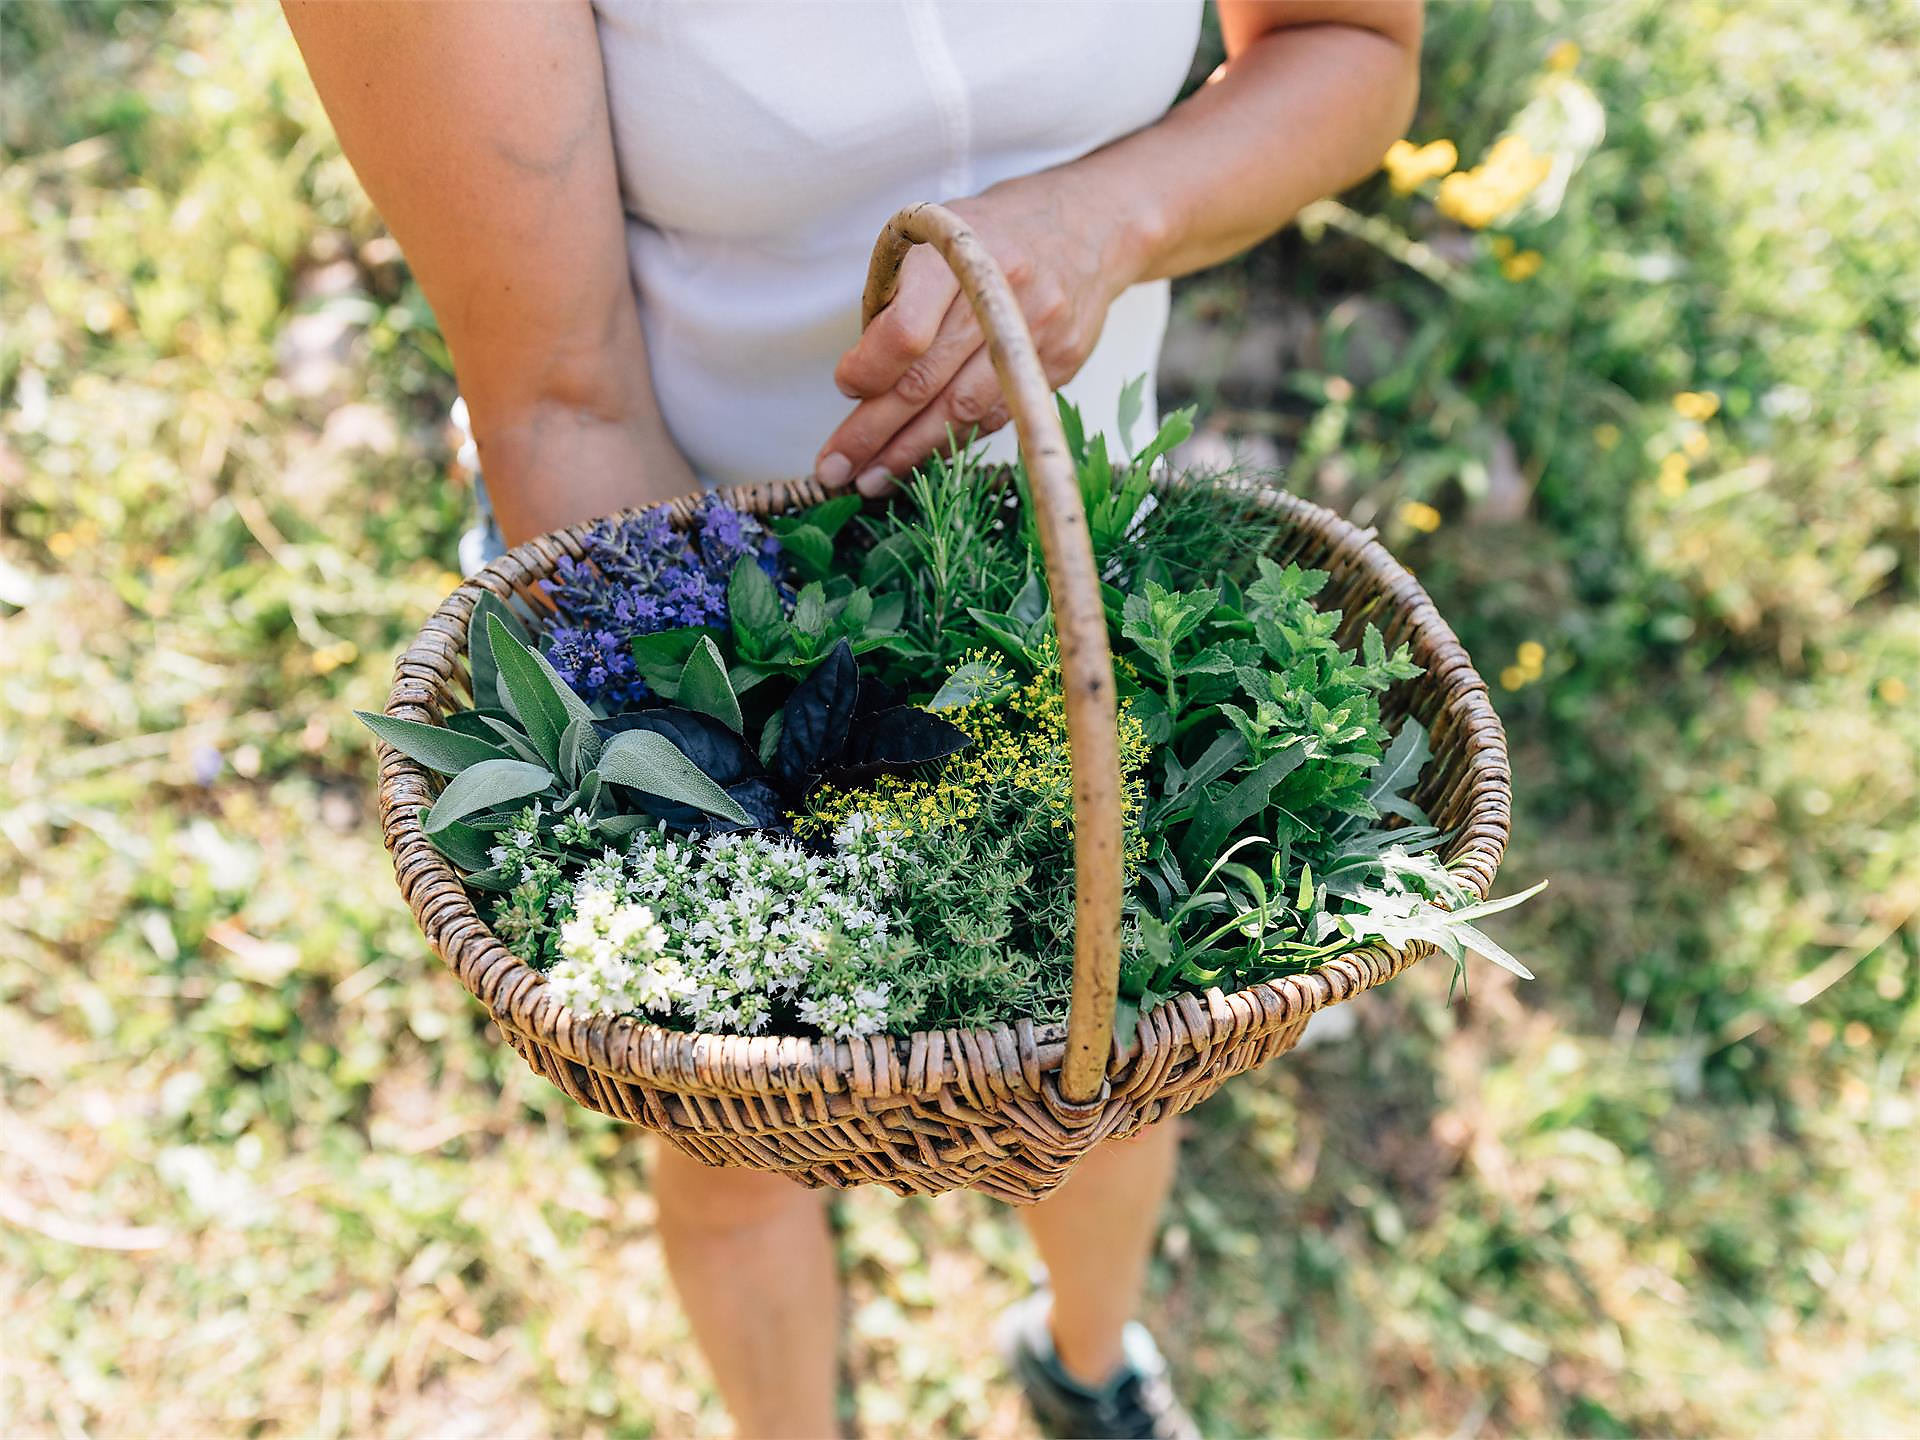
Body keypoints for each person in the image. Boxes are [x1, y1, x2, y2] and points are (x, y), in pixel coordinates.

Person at [285, 2, 1421, 1434]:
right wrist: (774, 841)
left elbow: (1351, 50)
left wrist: (1111, 217)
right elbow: (560, 396)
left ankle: (1088, 1365)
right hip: (686, 575)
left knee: (1114, 1047)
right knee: (744, 1139)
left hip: (1072, 558)